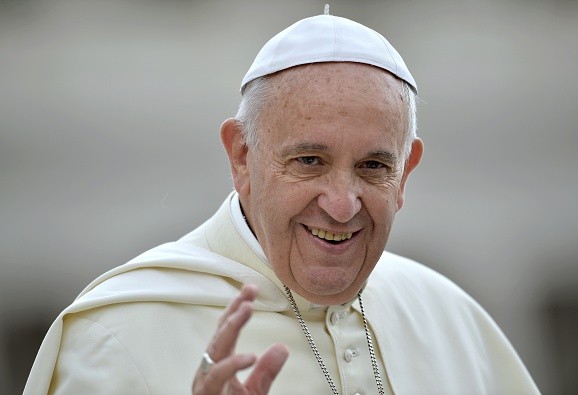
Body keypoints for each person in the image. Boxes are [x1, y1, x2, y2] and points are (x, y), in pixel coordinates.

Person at [25, 8, 540, 395]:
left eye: (373, 167)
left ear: (405, 174)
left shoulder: (452, 321)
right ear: (243, 157)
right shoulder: (115, 335)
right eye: (310, 161)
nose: (342, 205)